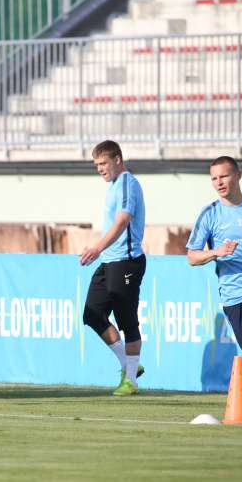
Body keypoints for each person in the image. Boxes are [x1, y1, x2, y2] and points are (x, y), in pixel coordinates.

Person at [79, 140, 146, 396]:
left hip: (127, 262)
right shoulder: (113, 186)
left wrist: (96, 248)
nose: (100, 169)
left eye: (103, 163)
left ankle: (130, 380)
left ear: (118, 159)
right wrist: (101, 252)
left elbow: (122, 222)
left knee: (127, 319)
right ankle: (128, 364)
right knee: (92, 313)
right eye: (96, 165)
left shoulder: (128, 182)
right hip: (109, 262)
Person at [187, 156, 242, 377]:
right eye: (214, 178)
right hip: (234, 298)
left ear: (238, 176)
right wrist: (215, 252)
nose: (219, 182)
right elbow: (191, 256)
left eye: (224, 176)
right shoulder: (209, 214)